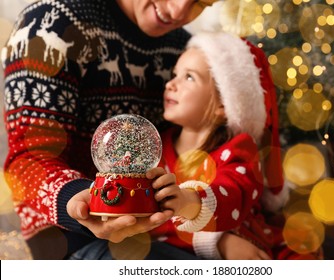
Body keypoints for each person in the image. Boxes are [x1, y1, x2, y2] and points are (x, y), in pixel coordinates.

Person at [1, 0, 220, 259]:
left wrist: (217, 236)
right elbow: (27, 159)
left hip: (164, 228)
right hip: (69, 238)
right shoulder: (50, 25)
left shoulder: (182, 49)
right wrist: (79, 202)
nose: (178, 12)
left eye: (201, 3)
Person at [146, 31, 307, 260]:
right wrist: (216, 240)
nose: (171, 84)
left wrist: (189, 202)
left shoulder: (239, 150)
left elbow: (231, 193)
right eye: (175, 75)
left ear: (224, 104)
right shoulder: (155, 148)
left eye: (189, 77)